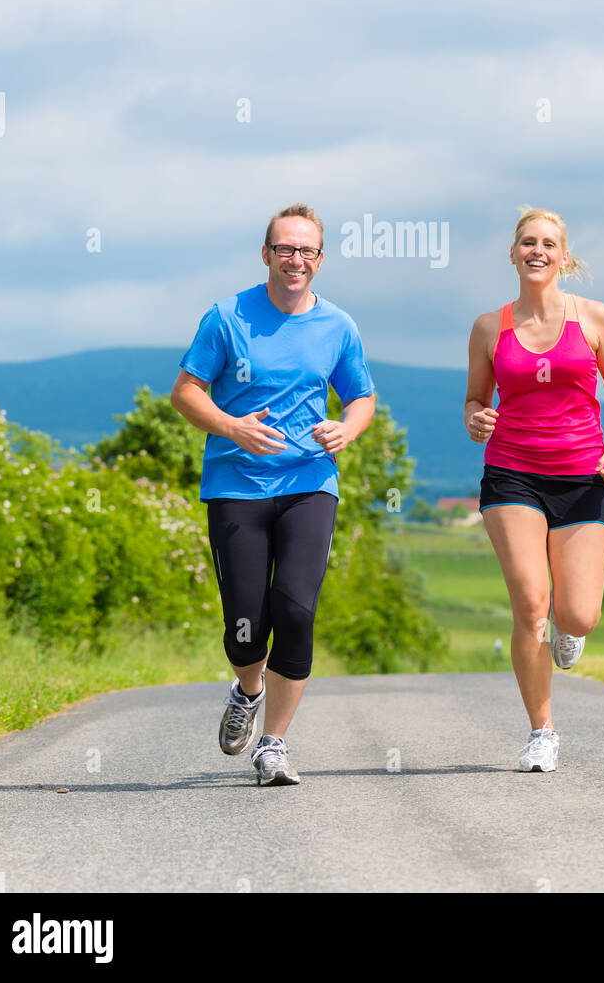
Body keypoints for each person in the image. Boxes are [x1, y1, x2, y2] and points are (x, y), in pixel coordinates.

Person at [170, 203, 376, 786]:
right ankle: (248, 688)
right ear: (266, 254)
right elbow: (186, 392)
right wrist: (232, 427)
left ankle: (274, 744)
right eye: (285, 249)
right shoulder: (227, 316)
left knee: (296, 607)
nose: (295, 260)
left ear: (319, 260)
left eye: (306, 251)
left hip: (310, 481)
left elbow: (361, 396)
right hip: (236, 485)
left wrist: (348, 427)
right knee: (245, 624)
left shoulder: (338, 326)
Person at [464, 206, 604, 772]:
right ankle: (542, 731)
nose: (537, 250)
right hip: (512, 473)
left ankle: (571, 628)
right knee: (532, 603)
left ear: (564, 256)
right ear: (513, 254)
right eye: (527, 242)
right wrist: (476, 419)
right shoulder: (490, 327)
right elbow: (474, 400)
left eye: (548, 243)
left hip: (583, 475)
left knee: (578, 615)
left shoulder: (595, 319)